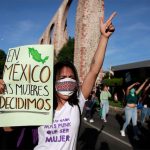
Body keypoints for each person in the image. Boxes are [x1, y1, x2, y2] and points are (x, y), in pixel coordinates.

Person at [0, 11, 116, 150]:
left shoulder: (77, 104)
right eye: (62, 77)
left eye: (71, 77)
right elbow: (8, 129)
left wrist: (104, 38)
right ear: (53, 82)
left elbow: (93, 70)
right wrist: (5, 100)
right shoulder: (39, 104)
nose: (67, 81)